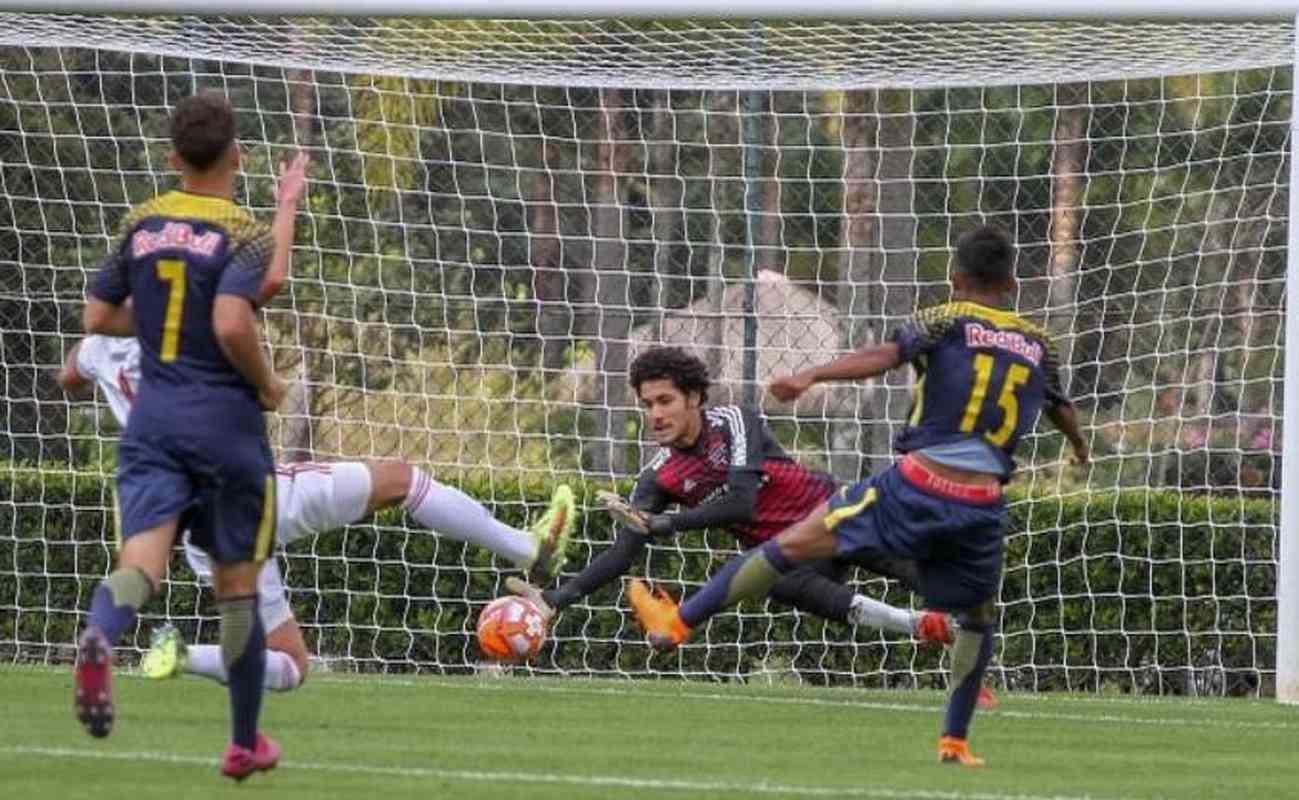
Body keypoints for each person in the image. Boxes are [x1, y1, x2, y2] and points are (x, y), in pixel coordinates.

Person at [629, 226, 1089, 767]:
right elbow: (1059, 404)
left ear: (955, 278)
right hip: (982, 504)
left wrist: (813, 374)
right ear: (1013, 282)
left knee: (784, 549)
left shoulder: (943, 320)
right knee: (978, 616)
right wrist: (1079, 445)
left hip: (917, 483)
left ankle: (678, 622)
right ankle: (955, 741)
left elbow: (883, 355)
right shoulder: (1039, 343)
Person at [58, 333, 576, 694]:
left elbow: (69, 374)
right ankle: (528, 548)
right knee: (400, 478)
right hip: (252, 495)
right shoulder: (199, 332)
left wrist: (106, 381)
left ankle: (184, 655)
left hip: (199, 528)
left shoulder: (103, 347)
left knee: (291, 664)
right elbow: (258, 389)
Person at [73, 89, 289, 780]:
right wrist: (268, 382)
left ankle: (101, 636)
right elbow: (231, 320)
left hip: (155, 422)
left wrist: (168, 318)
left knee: (140, 565)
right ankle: (244, 742)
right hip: (223, 425)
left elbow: (96, 315)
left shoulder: (141, 223)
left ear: (172, 157)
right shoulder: (246, 233)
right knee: (235, 590)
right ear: (237, 157)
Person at [508, 346, 956, 650]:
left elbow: (740, 503)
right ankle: (914, 626)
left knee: (931, 574)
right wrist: (553, 601)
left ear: (696, 398)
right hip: (792, 554)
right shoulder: (659, 475)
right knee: (774, 576)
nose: (655, 414)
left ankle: (972, 669)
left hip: (836, 515)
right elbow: (624, 553)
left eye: (665, 400)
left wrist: (667, 524)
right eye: (647, 405)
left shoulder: (733, 421)